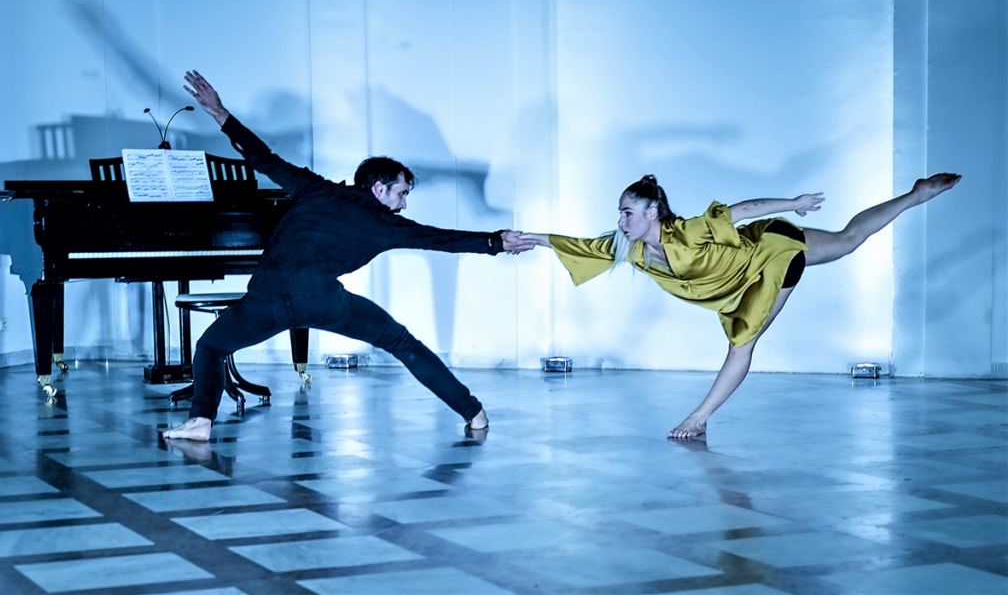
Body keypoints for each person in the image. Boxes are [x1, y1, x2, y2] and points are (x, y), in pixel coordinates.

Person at [164, 70, 533, 441]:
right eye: (402, 193)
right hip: (322, 300)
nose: (403, 204)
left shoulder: (314, 189)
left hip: (265, 297)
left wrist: (220, 113)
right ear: (379, 188)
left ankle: (201, 420)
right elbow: (442, 240)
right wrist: (496, 242)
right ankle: (474, 413)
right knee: (403, 344)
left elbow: (263, 158)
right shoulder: (385, 225)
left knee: (210, 346)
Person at [521, 172, 961, 439]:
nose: (620, 221)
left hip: (770, 256)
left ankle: (699, 418)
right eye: (620, 213)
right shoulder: (631, 249)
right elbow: (583, 245)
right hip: (754, 258)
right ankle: (916, 195)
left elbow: (742, 209)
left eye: (627, 213)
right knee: (847, 240)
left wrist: (794, 203)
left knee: (741, 343)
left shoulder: (687, 232)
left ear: (652, 212)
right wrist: (531, 239)